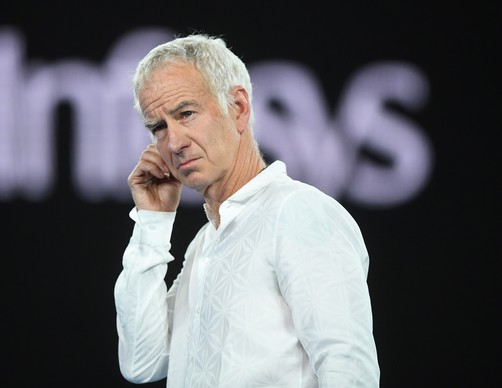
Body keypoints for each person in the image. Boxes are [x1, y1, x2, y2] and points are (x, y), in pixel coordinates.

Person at [114, 33, 380, 387]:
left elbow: (349, 369)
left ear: (238, 107)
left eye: (186, 114)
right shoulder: (203, 245)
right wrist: (152, 223)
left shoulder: (298, 212)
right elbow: (141, 362)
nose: (174, 143)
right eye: (159, 127)